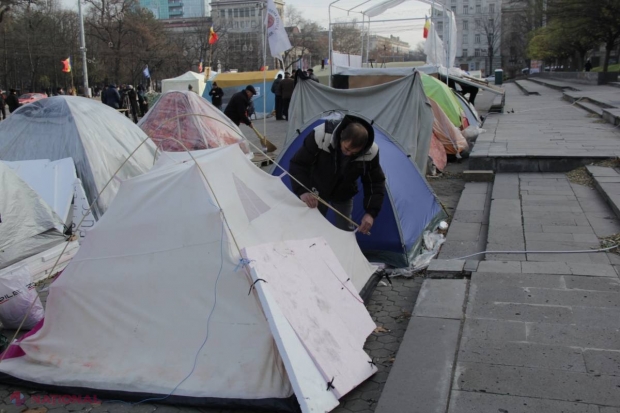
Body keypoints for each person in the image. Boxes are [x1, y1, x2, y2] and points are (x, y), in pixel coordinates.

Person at [289, 115, 386, 234]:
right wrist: (302, 191)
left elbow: (375, 182)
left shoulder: (371, 152)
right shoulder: (321, 135)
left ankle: (342, 250)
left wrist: (371, 213)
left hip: (344, 192)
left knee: (345, 228)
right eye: (346, 148)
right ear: (341, 135)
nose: (348, 154)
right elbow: (298, 164)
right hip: (317, 189)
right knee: (312, 226)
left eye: (354, 153)